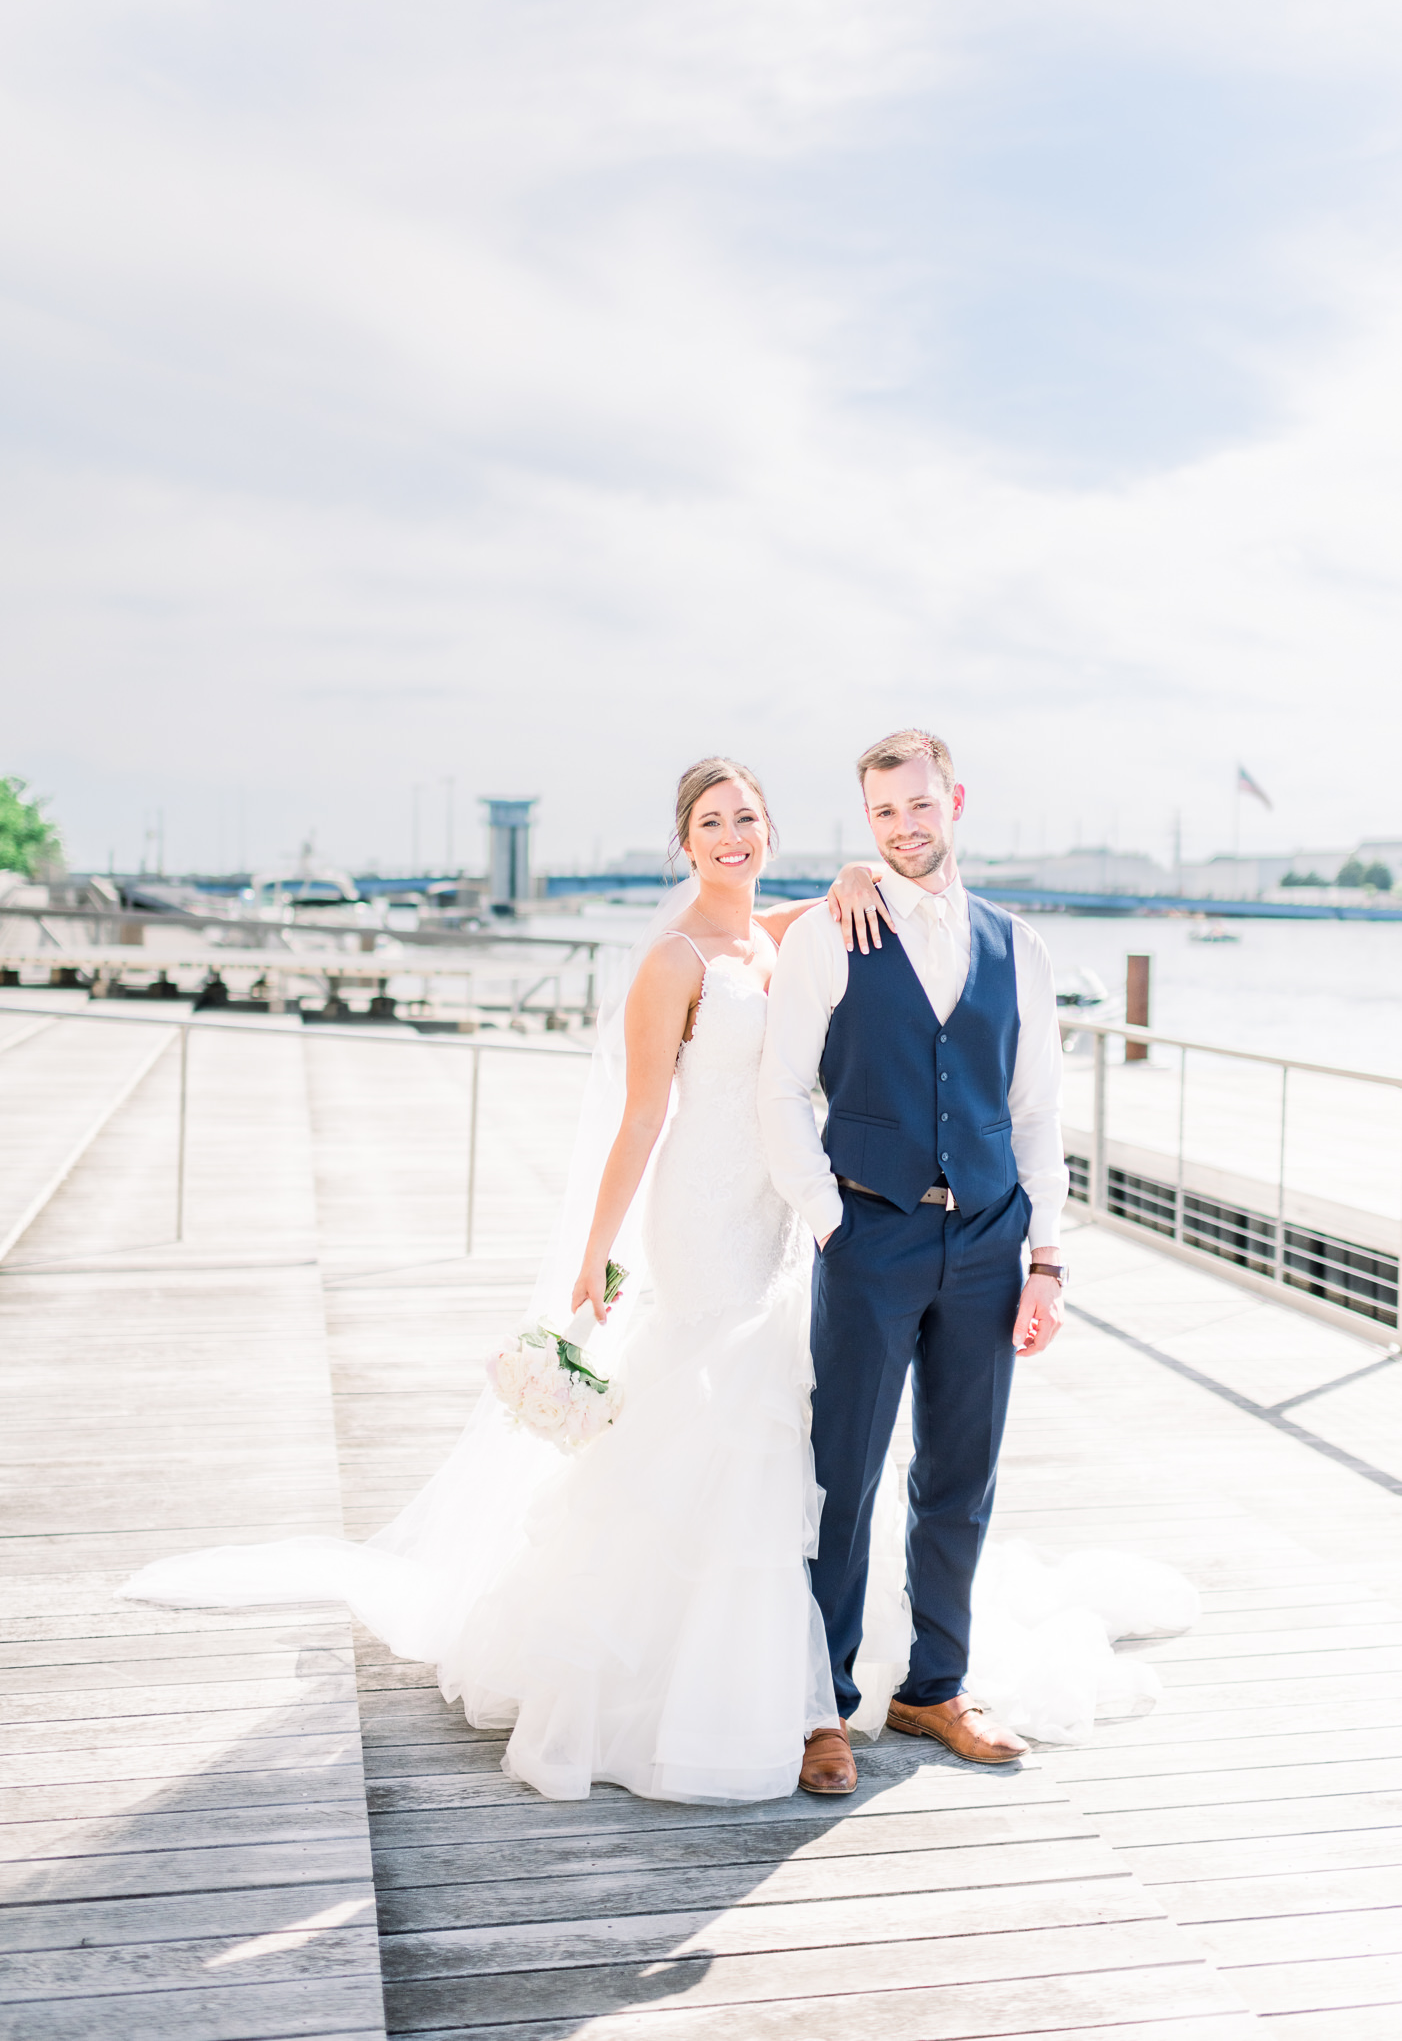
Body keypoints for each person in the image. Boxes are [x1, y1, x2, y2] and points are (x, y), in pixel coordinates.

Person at [120, 758, 891, 1804]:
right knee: (721, 1431)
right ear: (683, 844)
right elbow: (641, 1117)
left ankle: (787, 1685)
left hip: (774, 1226)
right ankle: (774, 1703)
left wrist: (856, 867)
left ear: (769, 830)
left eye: (746, 819)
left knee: (777, 1435)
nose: (730, 838)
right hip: (700, 1222)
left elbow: (854, 894)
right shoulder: (673, 961)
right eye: (709, 823)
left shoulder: (775, 933)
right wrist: (594, 1251)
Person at [758, 727, 1069, 1795]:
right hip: (870, 1236)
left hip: (988, 1243)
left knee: (959, 1479)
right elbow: (780, 1091)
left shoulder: (1016, 945)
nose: (903, 827)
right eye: (883, 813)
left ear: (955, 802)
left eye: (919, 806)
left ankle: (933, 1686)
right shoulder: (828, 933)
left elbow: (1036, 1115)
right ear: (868, 819)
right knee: (840, 1476)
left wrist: (1047, 1261)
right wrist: (829, 1219)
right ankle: (823, 1709)